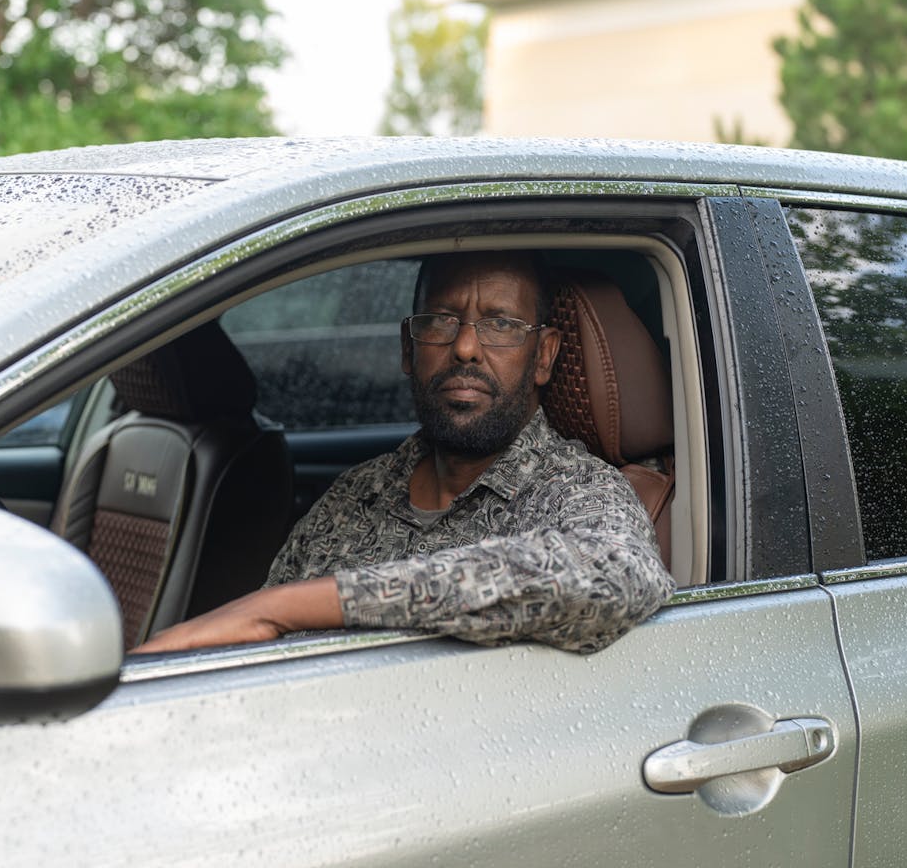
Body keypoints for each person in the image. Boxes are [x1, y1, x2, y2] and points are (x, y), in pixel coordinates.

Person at [135, 250, 675, 655]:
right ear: (407, 348)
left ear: (544, 356)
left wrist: (278, 610)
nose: (465, 347)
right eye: (440, 320)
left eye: (501, 324)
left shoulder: (576, 491)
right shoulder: (355, 494)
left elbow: (616, 575)